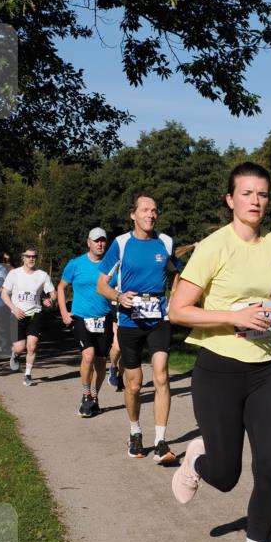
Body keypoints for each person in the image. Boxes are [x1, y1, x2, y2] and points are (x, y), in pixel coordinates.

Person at [168, 162, 271, 542]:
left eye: (262, 194)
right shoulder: (213, 246)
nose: (255, 201)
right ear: (231, 199)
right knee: (225, 476)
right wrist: (234, 316)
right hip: (218, 370)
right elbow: (178, 309)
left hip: (265, 370)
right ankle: (196, 460)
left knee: (268, 469)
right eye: (246, 193)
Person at [96, 193, 182, 462]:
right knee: (134, 385)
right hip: (129, 320)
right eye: (145, 210)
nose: (150, 215)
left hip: (159, 318)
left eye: (154, 210)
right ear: (133, 214)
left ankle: (160, 441)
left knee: (161, 376)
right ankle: (135, 432)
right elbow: (101, 285)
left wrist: (175, 295)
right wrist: (118, 297)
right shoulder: (121, 244)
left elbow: (178, 271)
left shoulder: (165, 242)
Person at [57, 228, 113, 418]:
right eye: (96, 241)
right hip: (81, 317)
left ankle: (95, 396)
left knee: (100, 361)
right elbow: (61, 287)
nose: (100, 244)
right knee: (88, 355)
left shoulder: (111, 265)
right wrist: (64, 312)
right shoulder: (76, 264)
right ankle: (86, 394)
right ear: (88, 242)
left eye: (103, 241)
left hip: (104, 317)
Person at [2, 247, 55, 386]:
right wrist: (14, 309)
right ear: (23, 258)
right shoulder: (14, 274)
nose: (31, 259)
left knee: (32, 346)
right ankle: (15, 354)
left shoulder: (42, 275)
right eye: (28, 256)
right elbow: (3, 294)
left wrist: (50, 300)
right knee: (20, 348)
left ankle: (27, 375)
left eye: (34, 257)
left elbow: (52, 292)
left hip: (34, 315)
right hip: (16, 315)